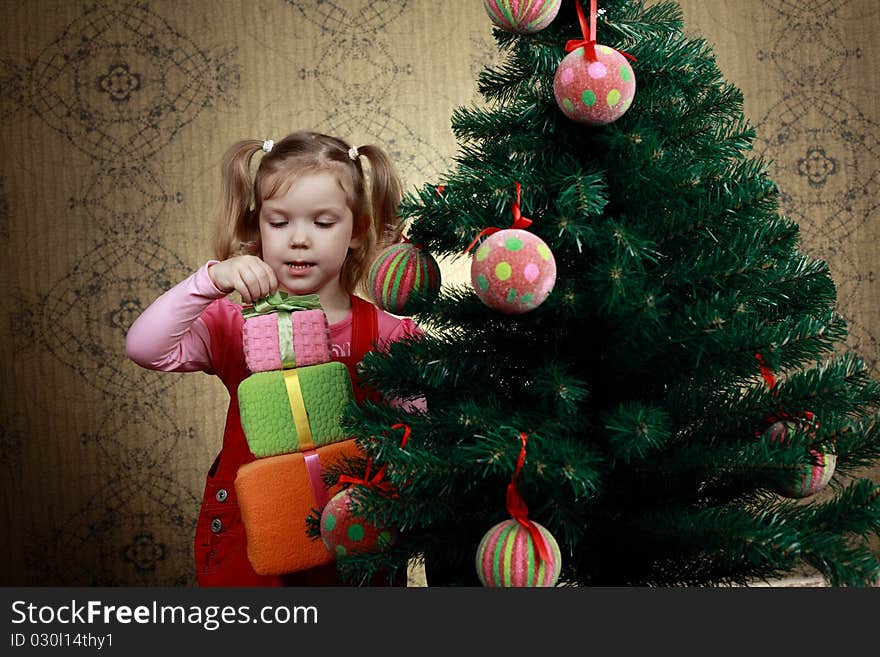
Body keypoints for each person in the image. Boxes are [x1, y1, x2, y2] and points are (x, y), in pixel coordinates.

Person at [126, 131, 422, 586]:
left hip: (354, 539)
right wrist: (210, 280)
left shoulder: (388, 333)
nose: (299, 240)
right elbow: (145, 348)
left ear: (357, 232)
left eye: (323, 223)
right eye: (279, 222)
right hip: (251, 536)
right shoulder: (231, 320)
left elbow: (420, 443)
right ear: (256, 227)